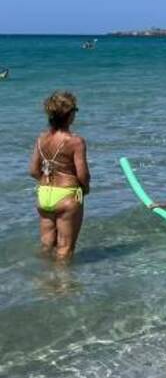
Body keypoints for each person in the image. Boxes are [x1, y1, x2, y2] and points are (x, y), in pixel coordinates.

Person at [29, 91, 90, 261]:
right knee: (65, 249)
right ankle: (64, 286)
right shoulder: (75, 141)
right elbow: (82, 174)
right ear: (69, 115)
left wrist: (46, 180)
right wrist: (85, 189)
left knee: (47, 245)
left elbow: (33, 170)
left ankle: (44, 282)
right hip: (67, 196)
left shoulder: (41, 138)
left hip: (44, 195)